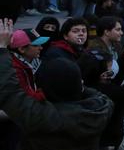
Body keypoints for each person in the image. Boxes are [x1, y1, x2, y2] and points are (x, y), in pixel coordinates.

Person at [0, 19, 114, 150]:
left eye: (84, 31)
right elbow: (100, 95)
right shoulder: (102, 107)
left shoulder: (42, 116)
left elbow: (12, 93)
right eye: (36, 44)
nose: (41, 48)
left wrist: (1, 49)